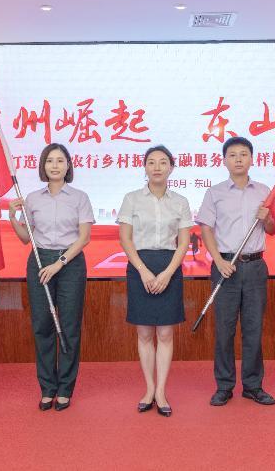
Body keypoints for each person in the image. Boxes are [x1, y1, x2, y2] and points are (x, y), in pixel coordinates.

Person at [8, 143, 94, 412]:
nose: (55, 165)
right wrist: (12, 217)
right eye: (49, 161)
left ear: (68, 165)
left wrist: (59, 263)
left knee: (69, 326)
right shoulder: (33, 199)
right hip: (39, 261)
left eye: (60, 160)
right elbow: (27, 238)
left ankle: (65, 388)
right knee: (43, 326)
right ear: (43, 166)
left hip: (70, 263)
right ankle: (47, 388)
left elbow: (84, 238)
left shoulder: (80, 197)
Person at [196, 136, 275, 407]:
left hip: (255, 267)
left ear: (252, 159)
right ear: (224, 160)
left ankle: (253, 386)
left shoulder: (264, 191)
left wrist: (268, 218)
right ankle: (224, 385)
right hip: (225, 267)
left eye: (243, 154)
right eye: (233, 155)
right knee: (225, 330)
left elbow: (273, 229)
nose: (238, 159)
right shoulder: (215, 193)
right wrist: (218, 260)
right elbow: (206, 229)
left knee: (253, 329)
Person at [117, 145, 192, 417]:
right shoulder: (132, 199)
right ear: (145, 167)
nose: (157, 167)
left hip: (169, 266)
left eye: (163, 162)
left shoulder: (180, 201)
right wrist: (143, 271)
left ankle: (161, 391)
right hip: (140, 266)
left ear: (171, 167)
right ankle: (149, 389)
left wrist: (168, 273)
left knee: (165, 333)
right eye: (151, 162)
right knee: (145, 333)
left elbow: (183, 243)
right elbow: (125, 239)